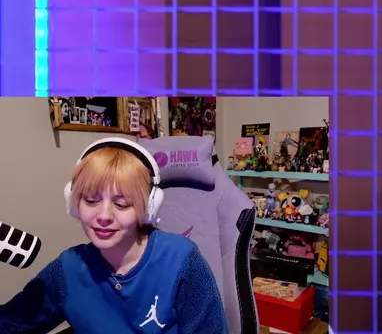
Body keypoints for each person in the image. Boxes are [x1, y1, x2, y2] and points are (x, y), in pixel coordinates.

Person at [0, 137, 227, 333]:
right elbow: (10, 323)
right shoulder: (67, 269)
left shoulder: (182, 260)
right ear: (74, 203)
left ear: (148, 208)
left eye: (122, 204)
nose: (104, 216)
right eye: (91, 200)